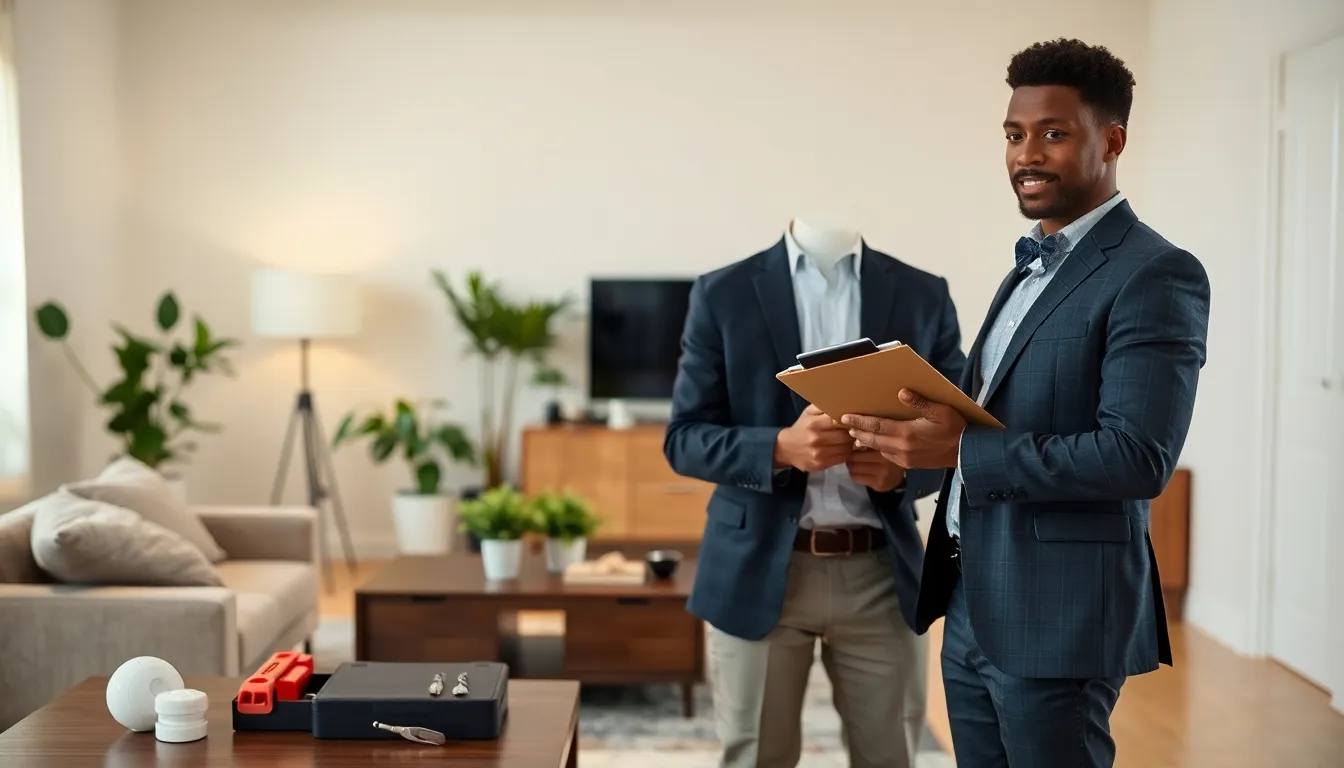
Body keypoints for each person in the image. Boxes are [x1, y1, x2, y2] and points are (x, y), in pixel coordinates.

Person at [841, 38, 1211, 768]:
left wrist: (960, 450)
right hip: (972, 596)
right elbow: (993, 421)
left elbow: (1137, 458)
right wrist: (909, 447)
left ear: (1113, 141)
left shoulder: (1157, 273)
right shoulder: (1027, 268)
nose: (1026, 155)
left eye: (1053, 133)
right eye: (1014, 135)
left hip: (1058, 612)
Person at [663, 215, 966, 768]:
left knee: (891, 757)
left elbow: (959, 437)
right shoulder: (722, 292)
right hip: (755, 570)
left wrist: (903, 474)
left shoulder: (923, 294)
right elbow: (683, 439)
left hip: (881, 574)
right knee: (756, 757)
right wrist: (779, 448)